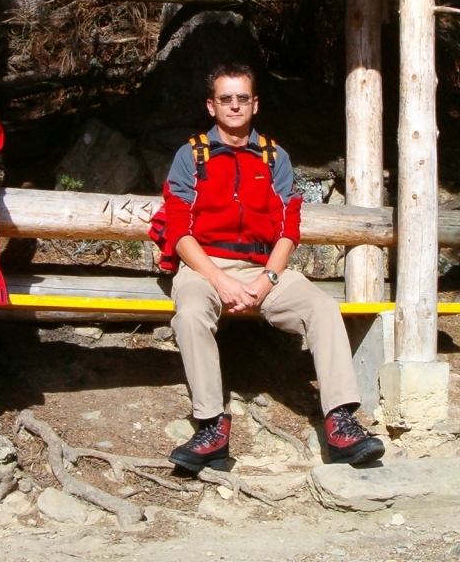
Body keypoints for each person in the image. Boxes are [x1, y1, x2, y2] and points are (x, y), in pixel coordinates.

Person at [159, 62, 384, 471]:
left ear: (255, 104)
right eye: (225, 99)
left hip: (264, 268)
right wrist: (218, 279)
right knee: (190, 312)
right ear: (211, 106)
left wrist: (268, 279)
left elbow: (287, 228)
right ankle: (211, 426)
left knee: (323, 307)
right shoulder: (191, 155)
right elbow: (177, 228)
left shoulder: (274, 156)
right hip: (205, 266)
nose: (234, 106)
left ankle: (341, 423)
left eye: (242, 98)